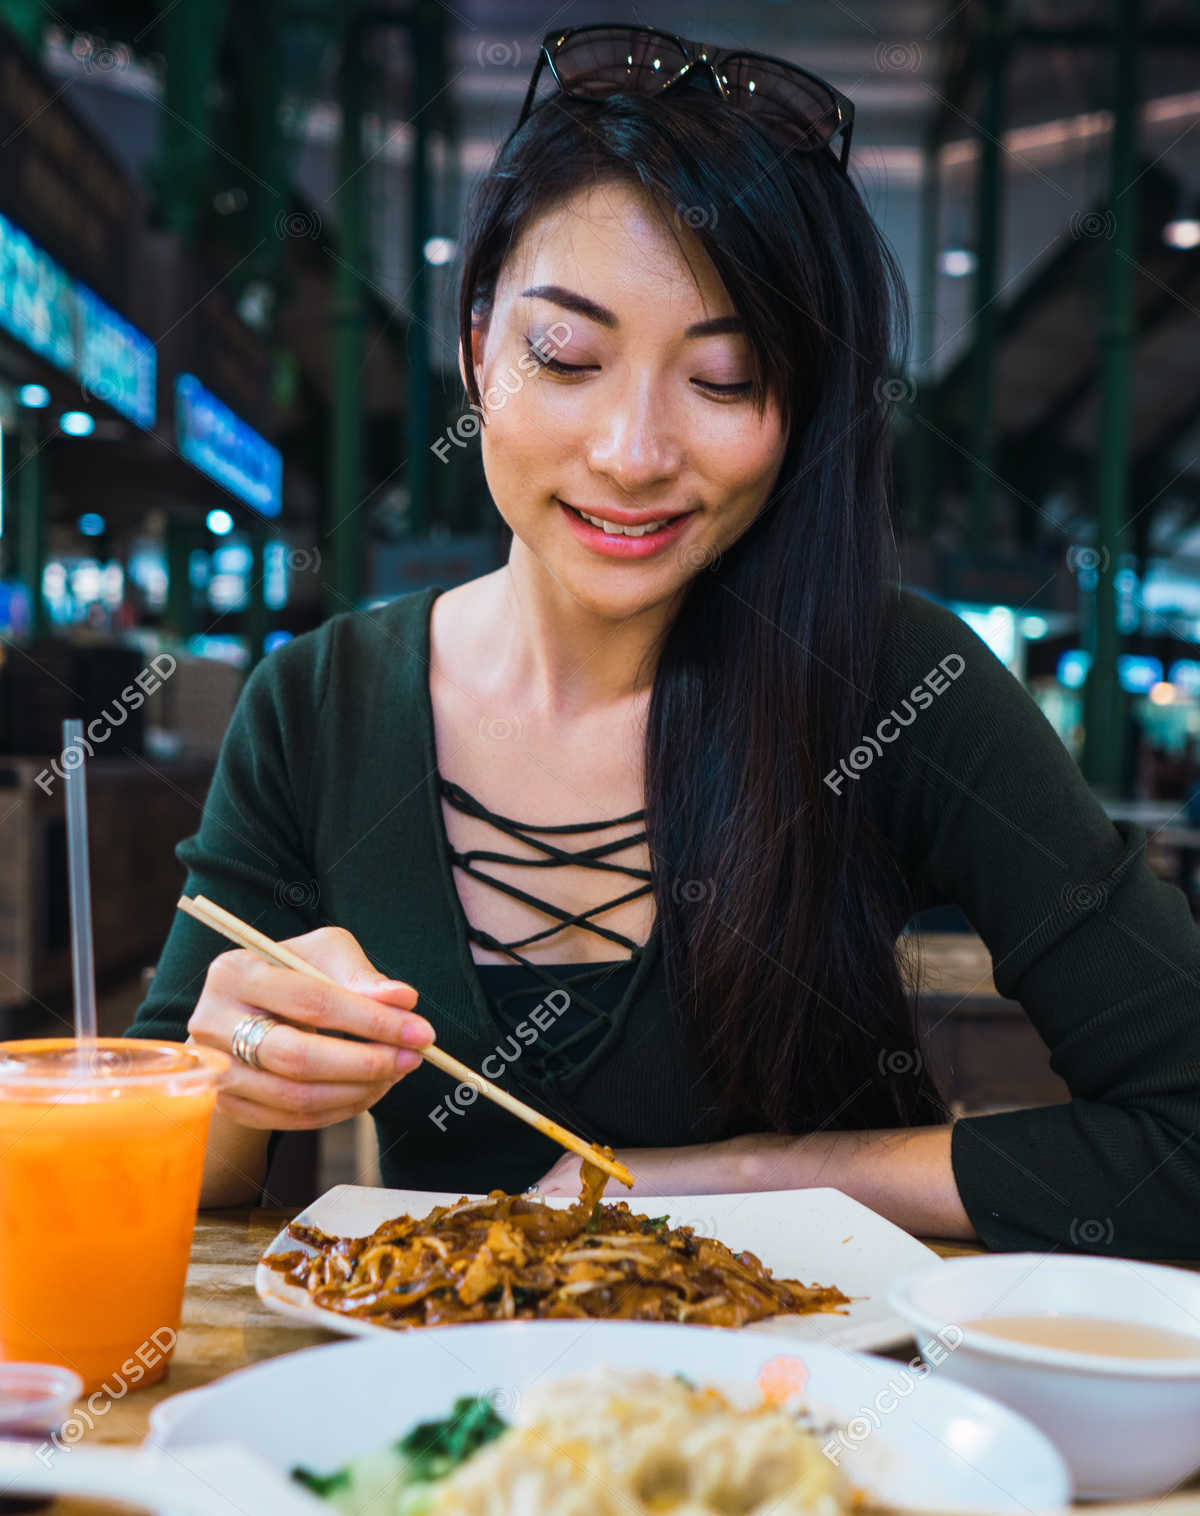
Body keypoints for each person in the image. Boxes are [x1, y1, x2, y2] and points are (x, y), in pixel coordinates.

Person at [128, 25, 1200, 1258]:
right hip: (470, 1428)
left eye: (727, 377)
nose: (633, 453)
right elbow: (171, 1174)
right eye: (565, 356)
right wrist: (230, 1068)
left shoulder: (900, 684)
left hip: (814, 1425)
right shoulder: (316, 706)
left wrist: (749, 1175)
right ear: (480, 347)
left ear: (800, 409)